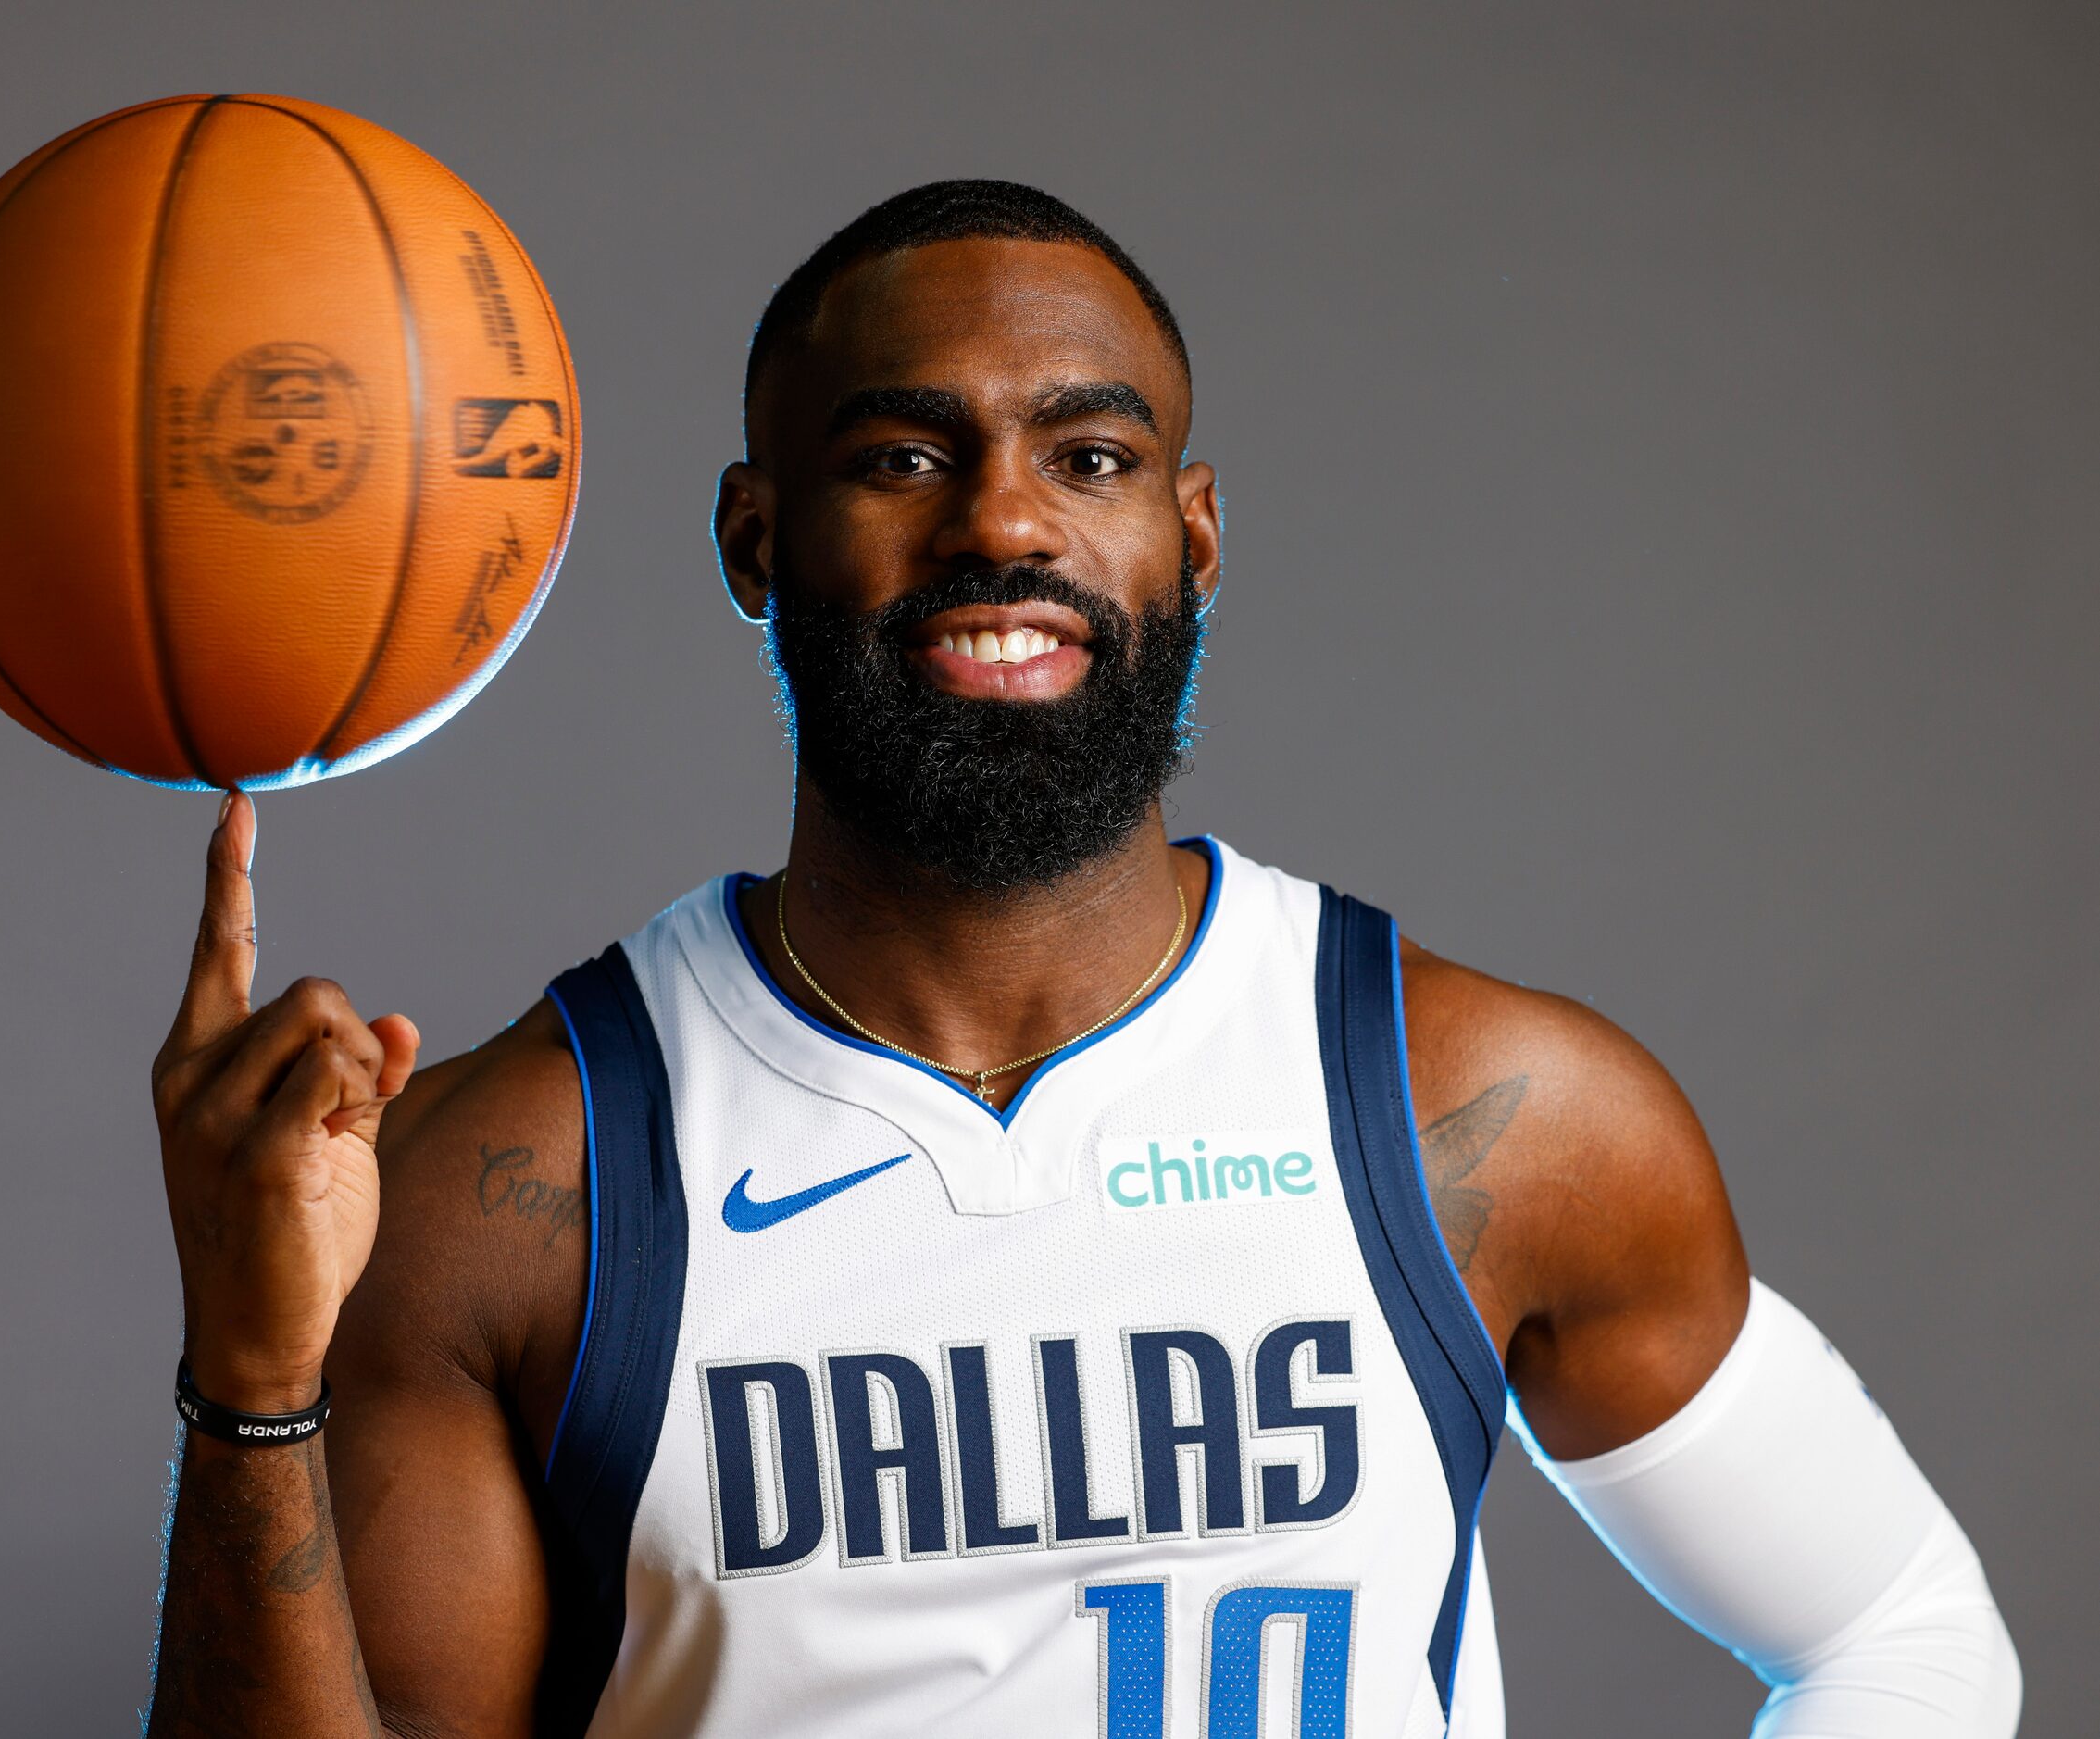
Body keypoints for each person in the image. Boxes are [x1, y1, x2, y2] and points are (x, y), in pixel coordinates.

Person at [142, 181, 2019, 1738]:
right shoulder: (516, 1185)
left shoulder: (1482, 1114)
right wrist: (250, 1371)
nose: (1004, 523)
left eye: (1089, 454)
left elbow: (1899, 1633)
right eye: (898, 454)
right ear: (753, 536)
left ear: (1188, 537)